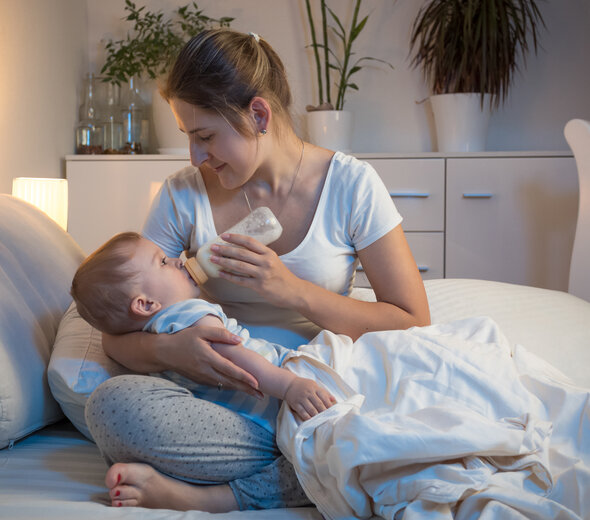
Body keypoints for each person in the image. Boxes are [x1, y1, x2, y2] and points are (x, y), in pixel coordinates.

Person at [85, 28, 430, 512]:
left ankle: (220, 491)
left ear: (259, 114)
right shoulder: (183, 194)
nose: (196, 157)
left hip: (315, 392)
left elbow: (413, 321)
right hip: (224, 402)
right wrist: (174, 348)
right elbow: (117, 333)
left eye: (205, 136)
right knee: (111, 407)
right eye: (189, 138)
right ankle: (328, 461)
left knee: (381, 418)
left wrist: (293, 291)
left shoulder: (351, 185)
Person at [72, 231, 337, 430]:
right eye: (163, 262)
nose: (179, 260)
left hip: (251, 412)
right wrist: (290, 385)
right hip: (279, 383)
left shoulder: (155, 329)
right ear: (145, 304)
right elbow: (232, 356)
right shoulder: (187, 312)